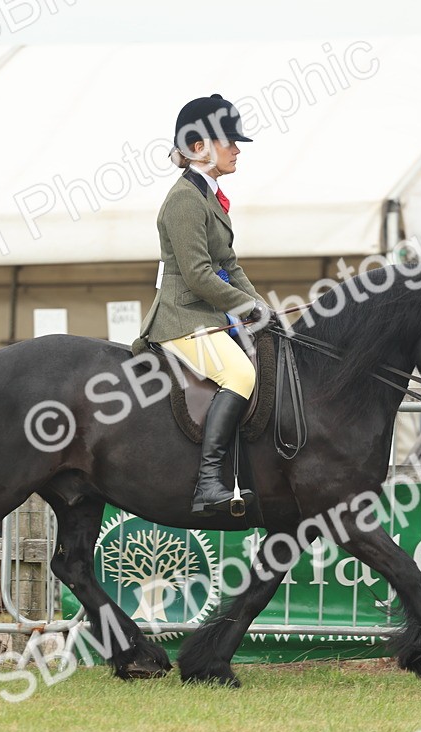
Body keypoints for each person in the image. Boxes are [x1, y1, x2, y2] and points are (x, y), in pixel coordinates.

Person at [136, 94, 271, 516]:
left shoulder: (209, 197)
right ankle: (209, 483)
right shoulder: (184, 200)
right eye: (228, 140)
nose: (236, 148)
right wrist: (245, 308)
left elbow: (228, 264)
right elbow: (197, 274)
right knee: (239, 372)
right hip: (182, 317)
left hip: (207, 315)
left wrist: (260, 307)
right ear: (199, 148)